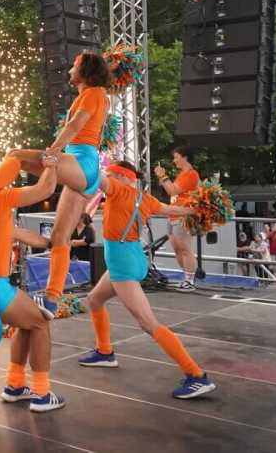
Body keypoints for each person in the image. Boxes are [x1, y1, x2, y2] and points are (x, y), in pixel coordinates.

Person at [0, 52, 112, 319]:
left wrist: (53, 151)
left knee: (16, 156)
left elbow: (77, 125)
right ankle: (52, 300)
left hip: (82, 161)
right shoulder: (93, 94)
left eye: (74, 66)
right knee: (59, 239)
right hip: (83, 172)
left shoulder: (93, 93)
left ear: (86, 72)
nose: (69, 71)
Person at [77, 161, 216, 399]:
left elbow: (95, 175)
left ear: (120, 177)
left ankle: (196, 376)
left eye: (111, 174)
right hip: (132, 260)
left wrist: (81, 148)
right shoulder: (145, 198)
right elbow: (172, 210)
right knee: (93, 301)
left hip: (122, 265)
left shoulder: (118, 189)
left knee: (148, 324)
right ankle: (105, 352)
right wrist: (197, 210)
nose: (107, 178)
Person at [0, 156, 65, 411]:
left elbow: (16, 233)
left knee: (26, 324)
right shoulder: (0, 198)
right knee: (40, 323)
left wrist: (49, 243)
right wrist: (53, 163)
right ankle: (42, 393)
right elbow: (44, 189)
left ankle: (14, 384)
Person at [155, 147, 200, 289]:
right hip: (173, 215)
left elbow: (173, 190)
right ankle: (186, 277)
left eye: (176, 157)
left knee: (185, 248)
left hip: (182, 215)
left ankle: (189, 280)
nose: (174, 161)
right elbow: (172, 192)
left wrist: (163, 176)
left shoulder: (191, 174)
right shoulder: (182, 174)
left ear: (185, 157)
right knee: (177, 248)